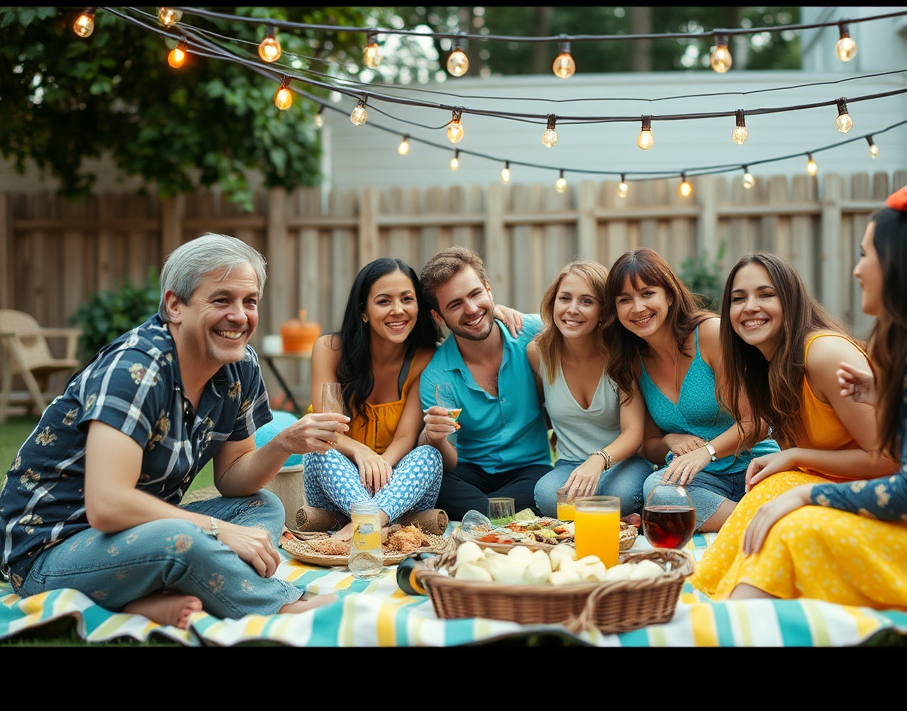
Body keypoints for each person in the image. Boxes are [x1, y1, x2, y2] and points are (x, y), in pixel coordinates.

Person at [0, 233, 341, 628]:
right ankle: (277, 606)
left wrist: (284, 443)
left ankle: (155, 597)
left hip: (138, 531)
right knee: (182, 540)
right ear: (174, 305)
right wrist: (219, 530)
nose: (240, 315)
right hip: (49, 550)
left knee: (263, 506)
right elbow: (108, 504)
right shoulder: (135, 370)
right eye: (221, 300)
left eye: (249, 302)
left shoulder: (239, 366)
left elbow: (233, 480)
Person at [718, 186, 907, 622]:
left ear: (902, 264)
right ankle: (728, 614)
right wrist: (893, 395)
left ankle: (725, 628)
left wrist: (808, 494)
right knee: (791, 521)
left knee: (799, 531)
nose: (858, 269)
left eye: (866, 255)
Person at [690, 251, 894, 597]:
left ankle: (741, 602)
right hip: (829, 484)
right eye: (738, 299)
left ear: (791, 300)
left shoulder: (824, 355)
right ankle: (714, 593)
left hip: (880, 496)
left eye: (765, 294)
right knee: (767, 491)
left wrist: (795, 456)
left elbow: (889, 461)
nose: (750, 307)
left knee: (776, 493)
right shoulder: (770, 367)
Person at [602, 248, 779, 533]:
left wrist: (706, 451)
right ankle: (756, 519)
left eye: (647, 294)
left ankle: (748, 519)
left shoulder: (710, 335)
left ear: (669, 296)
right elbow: (648, 445)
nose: (637, 308)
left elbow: (755, 423)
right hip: (702, 482)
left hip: (754, 466)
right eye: (625, 300)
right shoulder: (633, 362)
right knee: (656, 488)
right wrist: (671, 439)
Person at [303, 258, 445, 541]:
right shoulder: (330, 350)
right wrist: (361, 453)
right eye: (384, 301)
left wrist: (381, 468)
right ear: (364, 312)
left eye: (407, 299)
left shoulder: (425, 358)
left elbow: (405, 438)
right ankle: (378, 526)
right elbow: (328, 430)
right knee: (319, 450)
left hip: (396, 493)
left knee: (430, 455)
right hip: (337, 489)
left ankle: (367, 523)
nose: (398, 310)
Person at [418, 246, 552, 518]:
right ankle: (502, 516)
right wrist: (435, 439)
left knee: (546, 490)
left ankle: (479, 517)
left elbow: (587, 333)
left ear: (489, 290)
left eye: (476, 294)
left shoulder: (533, 333)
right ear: (438, 317)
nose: (471, 309)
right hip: (470, 472)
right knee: (432, 486)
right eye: (455, 305)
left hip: (530, 470)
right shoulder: (436, 376)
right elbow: (450, 460)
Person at [527, 259, 653, 518]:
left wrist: (597, 461)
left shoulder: (621, 356)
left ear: (604, 312)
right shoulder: (539, 354)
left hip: (622, 464)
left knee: (623, 494)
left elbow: (634, 432)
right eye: (565, 298)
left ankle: (602, 515)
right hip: (570, 465)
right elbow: (542, 409)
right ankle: (616, 519)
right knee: (547, 494)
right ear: (553, 303)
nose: (572, 309)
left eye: (586, 301)